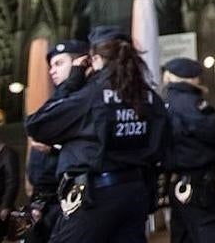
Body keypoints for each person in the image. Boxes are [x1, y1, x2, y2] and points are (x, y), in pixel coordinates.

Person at [25, 26, 169, 243]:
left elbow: (37, 124)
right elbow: (159, 146)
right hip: (135, 193)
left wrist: (72, 82)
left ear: (94, 60)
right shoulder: (149, 98)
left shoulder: (92, 96)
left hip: (94, 198)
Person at [162, 57, 215, 243]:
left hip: (179, 183)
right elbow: (214, 128)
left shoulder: (165, 102)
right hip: (198, 184)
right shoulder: (190, 103)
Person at [23, 39, 90, 243]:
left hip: (70, 197)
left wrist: (54, 149)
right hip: (43, 199)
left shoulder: (83, 98)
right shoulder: (61, 97)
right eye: (51, 66)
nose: (52, 71)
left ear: (80, 63)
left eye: (59, 64)